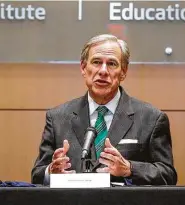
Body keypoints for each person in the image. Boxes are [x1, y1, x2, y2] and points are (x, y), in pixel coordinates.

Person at [31, 34, 177, 185]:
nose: (103, 71)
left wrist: (130, 169)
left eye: (112, 64)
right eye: (96, 62)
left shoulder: (151, 118)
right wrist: (51, 171)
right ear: (83, 67)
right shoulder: (57, 118)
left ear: (123, 72)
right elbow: (37, 175)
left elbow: (167, 175)